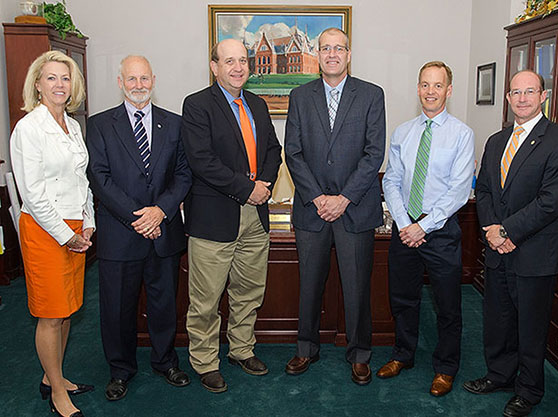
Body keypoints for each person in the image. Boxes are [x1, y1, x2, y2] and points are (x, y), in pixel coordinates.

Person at [463, 70, 558, 417]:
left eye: (530, 91)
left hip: (534, 252)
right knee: (497, 319)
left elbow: (552, 201)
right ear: (509, 98)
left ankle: (528, 391)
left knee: (530, 324)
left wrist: (507, 231)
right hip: (498, 250)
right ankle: (499, 375)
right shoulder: (497, 140)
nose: (523, 98)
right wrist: (491, 230)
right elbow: (483, 190)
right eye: (516, 92)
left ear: (543, 96)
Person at [86, 55, 192, 401]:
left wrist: (159, 211)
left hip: (163, 232)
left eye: (144, 79)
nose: (138, 86)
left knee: (164, 305)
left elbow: (183, 174)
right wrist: (138, 217)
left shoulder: (173, 124)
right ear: (120, 83)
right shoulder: (100, 125)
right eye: (131, 79)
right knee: (117, 308)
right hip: (120, 233)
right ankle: (120, 370)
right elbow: (99, 179)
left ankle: (165, 361)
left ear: (153, 80)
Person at [284, 27, 385, 385]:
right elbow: (292, 153)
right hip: (312, 209)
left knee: (357, 286)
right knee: (309, 283)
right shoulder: (300, 96)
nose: (331, 54)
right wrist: (317, 197)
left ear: (349, 53)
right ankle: (305, 348)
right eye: (325, 48)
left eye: (338, 48)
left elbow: (374, 154)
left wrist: (343, 198)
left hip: (354, 209)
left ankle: (359, 354)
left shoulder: (372, 95)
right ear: (318, 53)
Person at [181, 39, 282, 393]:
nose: (238, 67)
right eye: (229, 61)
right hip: (214, 217)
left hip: (256, 215)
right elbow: (201, 161)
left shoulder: (256, 103)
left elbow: (273, 148)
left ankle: (241, 349)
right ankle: (206, 361)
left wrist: (265, 182)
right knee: (206, 298)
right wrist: (247, 188)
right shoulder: (196, 105)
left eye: (243, 61)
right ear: (214, 66)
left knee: (248, 291)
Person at [379, 61, 474, 397]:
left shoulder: (462, 134)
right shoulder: (403, 131)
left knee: (448, 305)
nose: (430, 91)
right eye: (424, 84)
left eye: (437, 85)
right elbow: (391, 180)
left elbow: (459, 191)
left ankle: (446, 368)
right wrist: (405, 224)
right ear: (417, 88)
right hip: (404, 231)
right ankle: (403, 355)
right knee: (402, 298)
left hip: (441, 232)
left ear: (449, 90)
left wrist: (424, 226)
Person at [10, 50, 95, 417]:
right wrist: (67, 235)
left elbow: (82, 180)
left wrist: (88, 219)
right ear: (38, 85)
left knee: (67, 310)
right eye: (51, 78)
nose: (59, 85)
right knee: (50, 313)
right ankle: (58, 392)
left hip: (76, 226)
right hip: (46, 231)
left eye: (65, 78)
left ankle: (52, 378)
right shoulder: (28, 128)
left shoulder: (73, 125)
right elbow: (34, 193)